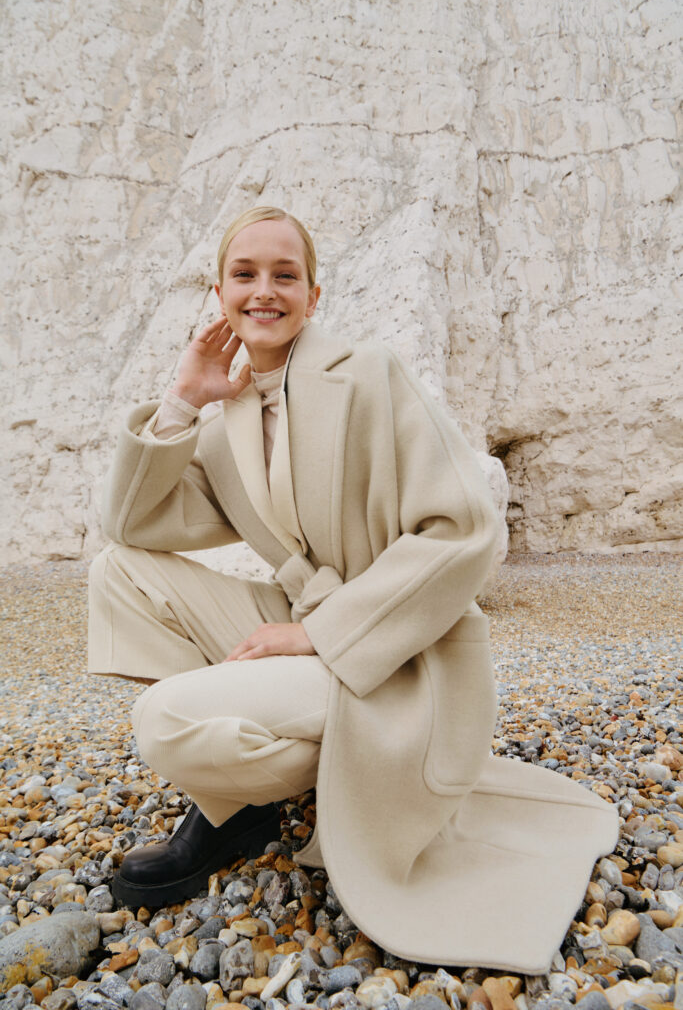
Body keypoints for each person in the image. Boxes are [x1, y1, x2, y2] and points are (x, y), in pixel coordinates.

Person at [88, 206, 618, 973]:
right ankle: (235, 802)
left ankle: (255, 779)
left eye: (284, 275)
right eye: (243, 274)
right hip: (309, 617)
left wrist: (318, 635)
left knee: (163, 720)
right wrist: (182, 400)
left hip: (398, 654)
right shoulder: (227, 416)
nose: (263, 290)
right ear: (219, 292)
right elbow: (133, 522)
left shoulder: (368, 373)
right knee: (118, 573)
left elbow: (464, 528)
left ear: (313, 294)